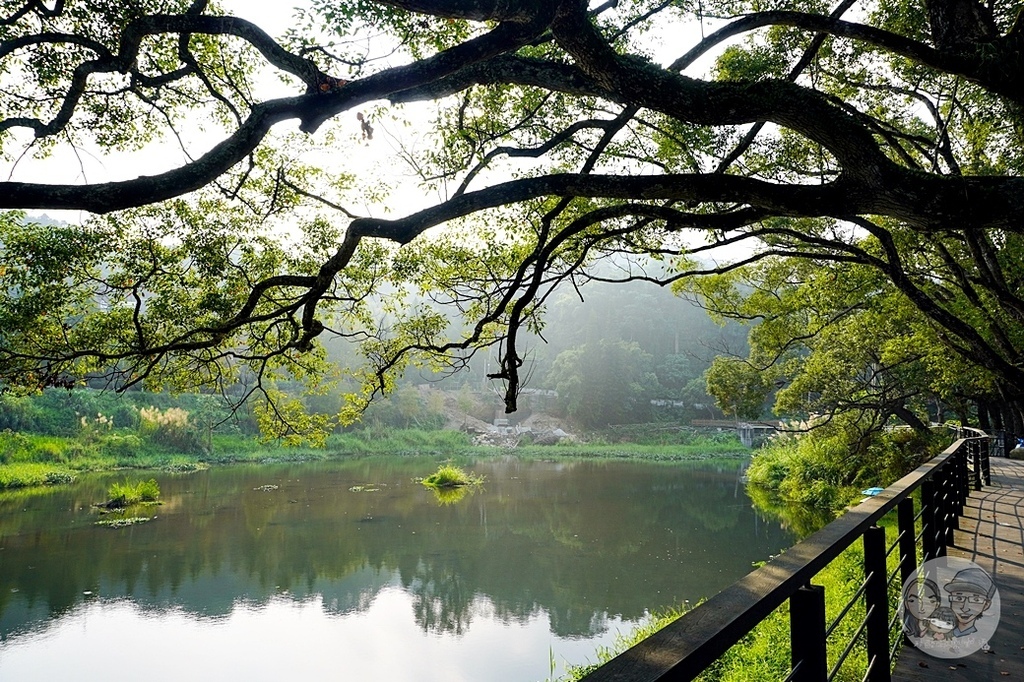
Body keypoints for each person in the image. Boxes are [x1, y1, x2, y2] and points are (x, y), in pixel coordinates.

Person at [944, 567, 995, 637]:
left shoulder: (982, 637)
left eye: (975, 600)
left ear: (986, 605)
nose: (965, 608)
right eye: (959, 598)